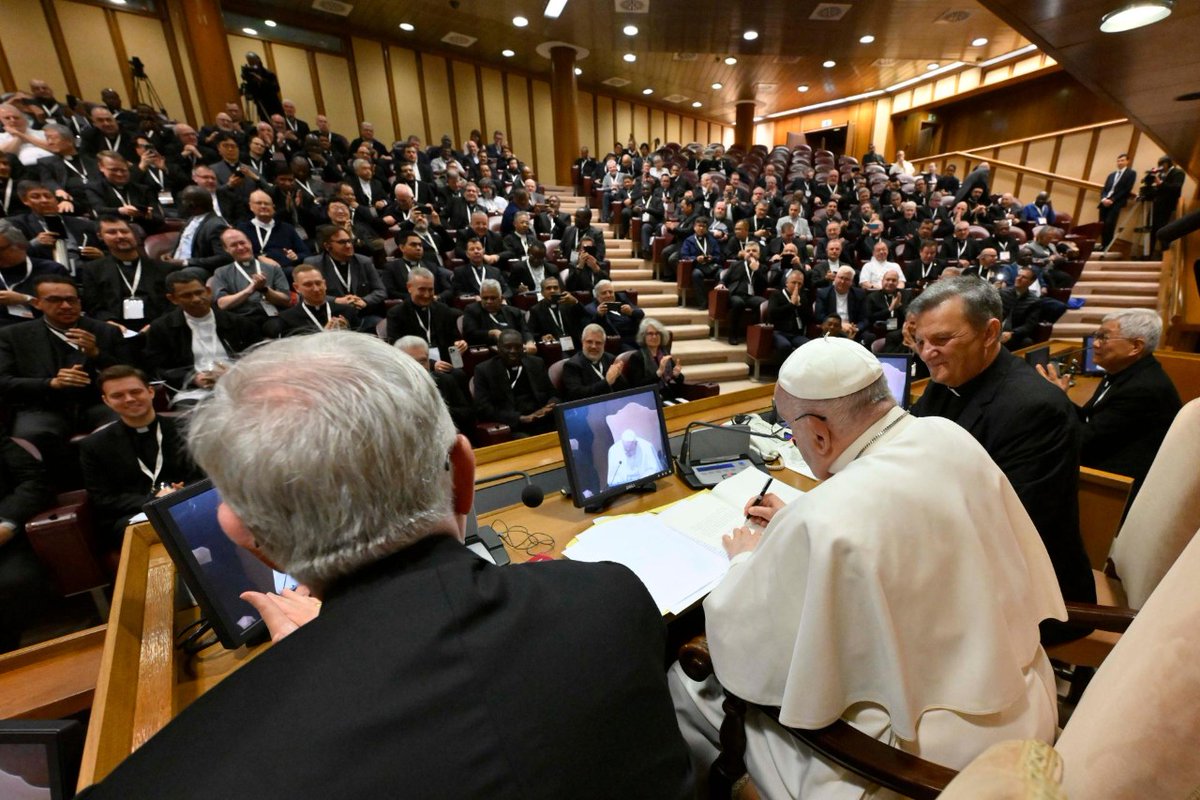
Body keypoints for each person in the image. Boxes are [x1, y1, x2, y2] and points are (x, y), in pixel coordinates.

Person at [75, 332, 694, 798]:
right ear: (464, 477)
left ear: (242, 534)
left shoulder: (171, 778)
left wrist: (315, 658)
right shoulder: (614, 597)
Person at [670, 337, 1066, 799]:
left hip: (913, 760)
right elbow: (914, 532)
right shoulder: (946, 434)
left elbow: (745, 646)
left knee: (686, 682)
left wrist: (744, 558)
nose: (791, 438)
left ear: (819, 432)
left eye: (789, 428)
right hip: (1023, 701)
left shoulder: (827, 517)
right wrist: (799, 525)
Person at [906, 277, 1095, 640]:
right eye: (920, 342)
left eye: (942, 340)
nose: (927, 353)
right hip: (961, 557)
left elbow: (1011, 526)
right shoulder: (948, 377)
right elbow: (909, 452)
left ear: (990, 332)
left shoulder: (1037, 408)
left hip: (1029, 591)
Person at [1037, 308, 1180, 497]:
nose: (1095, 344)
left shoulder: (1142, 389)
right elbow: (1090, 418)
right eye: (1096, 336)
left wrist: (1057, 401)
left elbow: (1083, 442)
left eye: (1104, 338)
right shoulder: (1121, 370)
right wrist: (1060, 397)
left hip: (1123, 489)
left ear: (1136, 347)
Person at [0, 275, 125, 470]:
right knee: (31, 436)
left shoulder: (105, 331)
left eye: (71, 300)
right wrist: (50, 383)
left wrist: (97, 354)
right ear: (38, 303)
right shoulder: (13, 336)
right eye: (55, 300)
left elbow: (132, 374)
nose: (66, 306)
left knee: (127, 417)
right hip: (42, 406)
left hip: (96, 403)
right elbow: (4, 382)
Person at [80, 366, 204, 545]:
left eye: (135, 392)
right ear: (106, 401)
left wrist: (181, 493)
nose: (129, 399)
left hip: (189, 503)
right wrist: (154, 499)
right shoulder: (94, 445)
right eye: (118, 396)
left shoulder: (187, 429)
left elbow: (206, 475)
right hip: (134, 516)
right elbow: (103, 498)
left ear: (151, 392)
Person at [143, 272, 263, 403]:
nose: (196, 299)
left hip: (237, 385)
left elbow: (257, 359)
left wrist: (234, 372)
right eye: (186, 295)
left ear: (208, 291)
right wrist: (193, 378)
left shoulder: (239, 323)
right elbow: (157, 368)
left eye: (199, 292)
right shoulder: (162, 328)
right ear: (173, 299)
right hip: (190, 392)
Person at [472, 329, 558, 437]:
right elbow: (483, 409)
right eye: (508, 347)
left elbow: (553, 393)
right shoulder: (484, 370)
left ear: (523, 347)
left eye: (517, 347)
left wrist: (548, 407)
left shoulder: (536, 363)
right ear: (498, 348)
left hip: (541, 419)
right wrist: (520, 418)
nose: (513, 351)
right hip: (513, 425)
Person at [278, 263, 359, 335]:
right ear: (297, 288)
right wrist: (323, 335)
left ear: (325, 284)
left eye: (318, 283)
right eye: (308, 284)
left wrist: (347, 333)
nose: (316, 289)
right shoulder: (287, 318)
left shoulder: (347, 311)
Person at [461, 278, 534, 350]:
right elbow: (470, 334)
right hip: (489, 353)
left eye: (493, 298)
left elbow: (525, 331)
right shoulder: (472, 310)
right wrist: (491, 333)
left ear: (501, 298)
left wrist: (530, 342)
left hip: (514, 350)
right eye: (485, 298)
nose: (489, 301)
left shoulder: (513, 312)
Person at [562, 323, 629, 400]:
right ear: (582, 342)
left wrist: (618, 375)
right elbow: (577, 395)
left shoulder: (610, 359)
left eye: (598, 343)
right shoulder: (572, 366)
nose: (594, 346)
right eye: (589, 342)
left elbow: (624, 390)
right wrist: (606, 382)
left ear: (604, 344)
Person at [586, 280, 643, 352]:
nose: (608, 295)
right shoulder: (591, 309)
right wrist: (599, 315)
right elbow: (591, 329)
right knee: (637, 355)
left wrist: (631, 312)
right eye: (604, 293)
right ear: (597, 296)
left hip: (636, 336)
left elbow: (641, 313)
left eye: (610, 292)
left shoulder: (622, 300)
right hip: (618, 341)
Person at [768, 269, 813, 359]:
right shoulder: (776, 295)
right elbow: (772, 314)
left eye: (799, 284)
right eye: (794, 283)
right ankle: (782, 371)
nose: (796, 286)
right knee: (785, 346)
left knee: (810, 345)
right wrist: (791, 305)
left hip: (796, 334)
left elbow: (809, 318)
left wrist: (799, 305)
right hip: (779, 332)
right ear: (787, 283)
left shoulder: (803, 297)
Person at [1097, 153, 1135, 249]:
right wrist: (1103, 198)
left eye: (1122, 160)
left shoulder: (1131, 173)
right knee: (1102, 224)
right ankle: (1102, 244)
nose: (1120, 162)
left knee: (1110, 224)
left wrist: (1112, 199)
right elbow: (1105, 189)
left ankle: (1107, 246)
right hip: (1105, 201)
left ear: (1127, 161)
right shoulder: (1111, 175)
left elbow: (1126, 189)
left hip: (1116, 203)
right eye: (1118, 161)